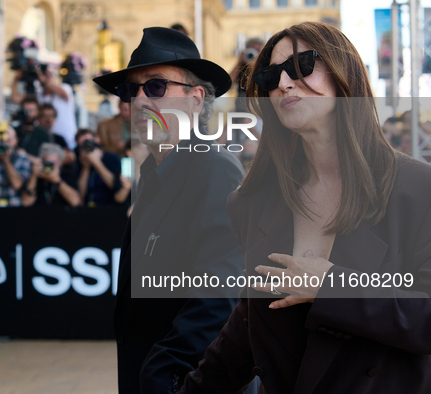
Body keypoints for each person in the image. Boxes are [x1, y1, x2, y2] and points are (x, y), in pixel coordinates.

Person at [179, 21, 431, 394]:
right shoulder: (250, 203)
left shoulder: (417, 188)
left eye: (301, 66)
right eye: (270, 76)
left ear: (343, 71)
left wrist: (332, 286)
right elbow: (248, 326)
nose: (283, 84)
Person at [93, 27, 249, 393]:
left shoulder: (215, 168)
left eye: (157, 86)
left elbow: (219, 294)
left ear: (196, 100)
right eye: (131, 90)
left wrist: (163, 373)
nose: (140, 100)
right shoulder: (153, 173)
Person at [0, 126, 32, 207]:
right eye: (1, 141)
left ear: (16, 141)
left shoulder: (22, 159)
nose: (3, 145)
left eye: (8, 141)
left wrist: (5, 160)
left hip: (14, 208)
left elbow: (17, 184)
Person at [21, 143, 81, 207]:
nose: (50, 166)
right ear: (41, 162)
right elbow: (26, 202)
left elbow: (76, 202)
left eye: (54, 163)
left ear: (60, 163)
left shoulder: (67, 174)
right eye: (47, 163)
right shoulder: (37, 177)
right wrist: (34, 176)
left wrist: (57, 180)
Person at [75, 129, 122, 206]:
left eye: (89, 141)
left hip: (109, 208)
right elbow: (80, 196)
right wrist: (85, 168)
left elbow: (114, 185)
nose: (87, 146)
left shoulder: (111, 158)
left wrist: (96, 162)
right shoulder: (79, 161)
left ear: (97, 139)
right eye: (83, 144)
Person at [36, 66, 78, 150]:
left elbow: (63, 94)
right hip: (46, 138)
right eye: (45, 75)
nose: (47, 77)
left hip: (67, 139)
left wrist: (44, 80)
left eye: (49, 75)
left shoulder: (65, 87)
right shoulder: (38, 93)